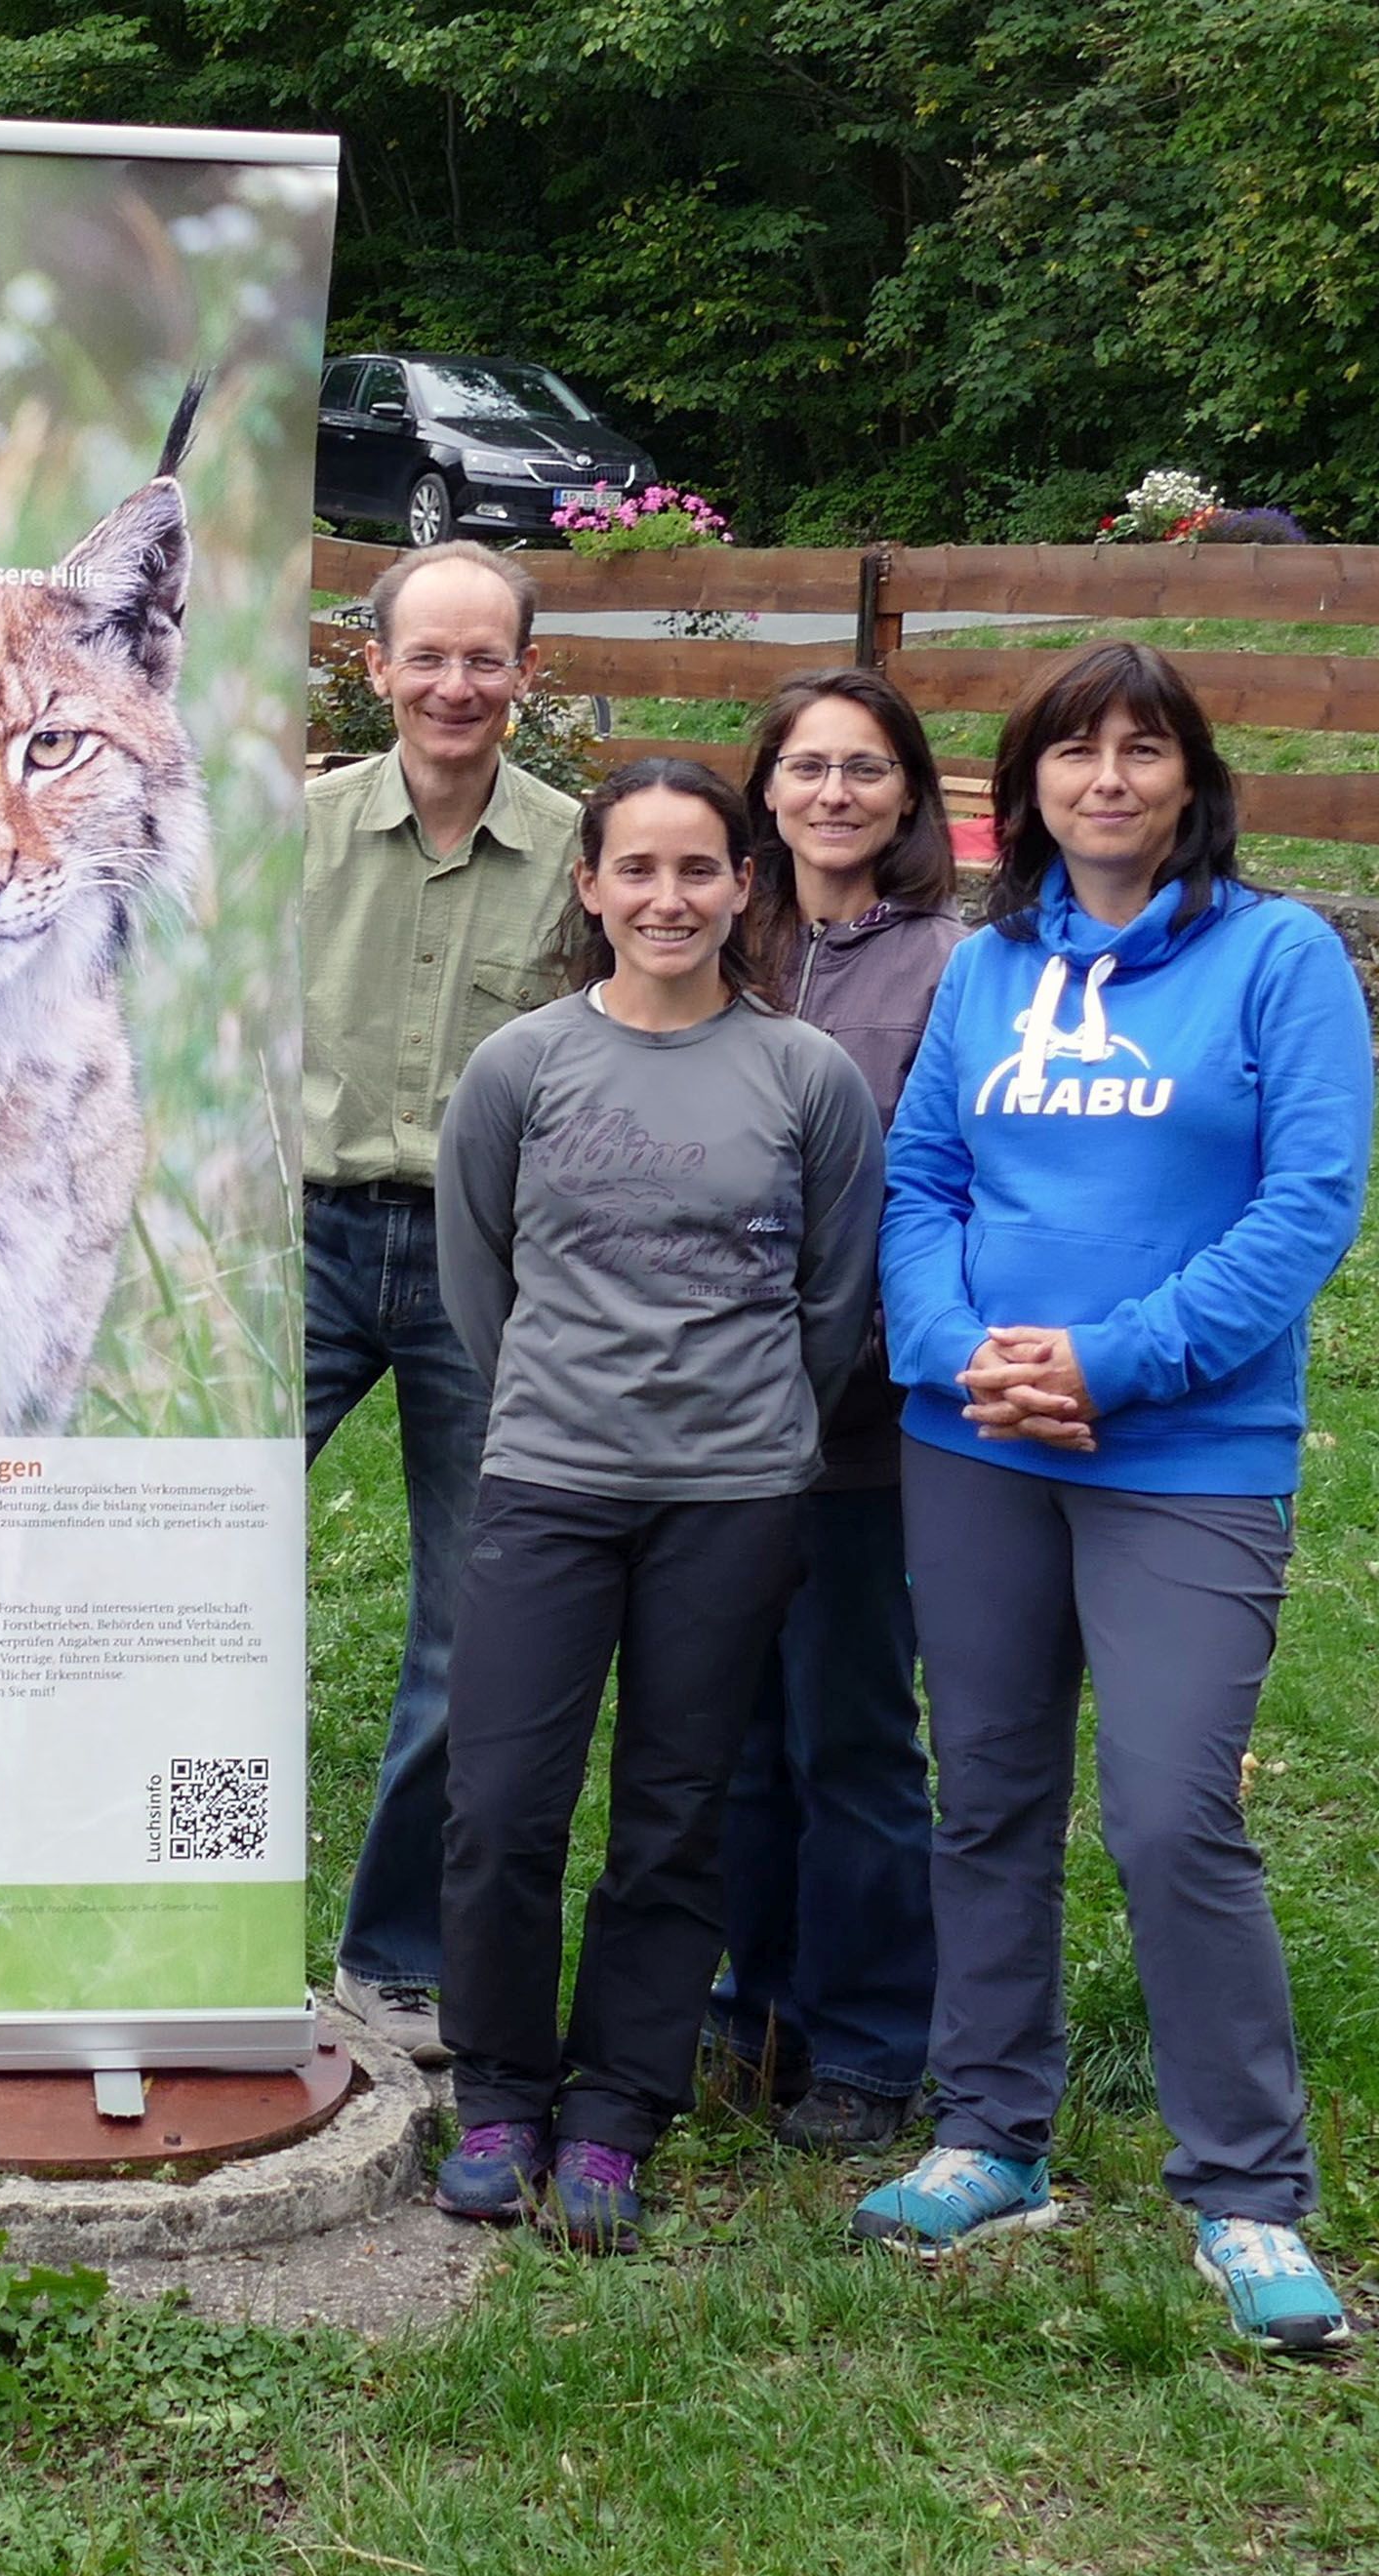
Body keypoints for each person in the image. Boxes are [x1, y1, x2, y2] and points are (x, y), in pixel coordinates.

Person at [848, 644, 1375, 2356]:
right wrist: (946, 1348)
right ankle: (992, 2131)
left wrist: (1114, 1360)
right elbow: (921, 1175)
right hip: (978, 1441)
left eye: (1143, 751)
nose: (1110, 781)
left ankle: (1247, 2189)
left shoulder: (1279, 958)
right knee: (988, 1792)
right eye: (1076, 753)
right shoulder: (995, 967)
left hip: (1186, 1455)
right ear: (1029, 791)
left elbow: (1305, 1209)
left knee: (1169, 1813)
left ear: (1191, 778)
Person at [426, 759, 882, 2253]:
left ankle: (619, 2108)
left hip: (732, 1495)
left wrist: (741, 1428)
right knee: (501, 1806)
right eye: (639, 870)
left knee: (674, 1816)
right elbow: (478, 1278)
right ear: (590, 886)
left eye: (700, 870)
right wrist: (569, 1403)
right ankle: (499, 2092)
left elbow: (833, 1297)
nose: (669, 899)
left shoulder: (804, 1075)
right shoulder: (523, 1067)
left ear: (746, 885)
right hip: (551, 1480)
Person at [300, 540, 584, 2067]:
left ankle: (395, 1954)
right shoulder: (295, 834)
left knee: (477, 1623)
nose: (457, 685)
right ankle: (125, 1894)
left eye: (487, 659)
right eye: (430, 656)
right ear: (377, 667)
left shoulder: (584, 856)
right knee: (171, 1545)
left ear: (525, 678)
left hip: (497, 1267)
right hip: (303, 1241)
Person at [700, 674, 967, 2153]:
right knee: (731, 1731)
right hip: (703, 1418)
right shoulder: (724, 938)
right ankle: (755, 2007)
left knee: (853, 1734)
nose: (833, 792)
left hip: (859, 1422)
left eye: (866, 768)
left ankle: (871, 2040)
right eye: (806, 765)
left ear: (910, 795)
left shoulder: (951, 966)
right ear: (769, 788)